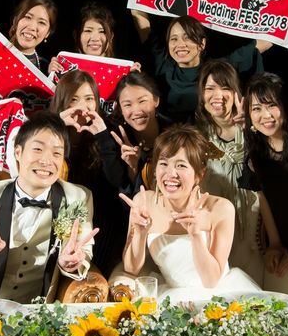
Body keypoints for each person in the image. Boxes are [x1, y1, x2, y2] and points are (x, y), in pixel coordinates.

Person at [0, 111, 98, 303]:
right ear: (18, 153)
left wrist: (69, 264)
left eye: (57, 153)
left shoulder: (77, 198)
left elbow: (82, 252)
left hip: (36, 312)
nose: (47, 161)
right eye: (38, 149)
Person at [128, 0, 288, 123]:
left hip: (211, 141)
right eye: (173, 39)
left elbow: (262, 44)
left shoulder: (218, 69)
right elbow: (139, 19)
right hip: (169, 139)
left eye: (188, 37)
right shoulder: (162, 64)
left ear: (202, 44)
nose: (180, 44)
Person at [114, 124, 260, 302]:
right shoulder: (143, 202)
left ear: (200, 174)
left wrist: (196, 236)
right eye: (163, 164)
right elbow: (131, 269)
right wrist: (140, 233)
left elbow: (211, 281)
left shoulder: (220, 208)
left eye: (181, 165)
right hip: (171, 296)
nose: (170, 174)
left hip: (218, 296)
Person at [240, 72, 288, 296]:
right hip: (286, 232)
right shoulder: (254, 146)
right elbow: (263, 198)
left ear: (284, 106)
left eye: (272, 105)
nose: (266, 115)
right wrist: (275, 244)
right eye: (256, 108)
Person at [49, 70, 128, 277]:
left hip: (102, 221)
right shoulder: (49, 129)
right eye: (73, 99)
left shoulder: (108, 130)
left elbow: (117, 180)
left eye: (88, 99)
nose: (82, 106)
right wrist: (57, 126)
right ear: (62, 102)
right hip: (60, 217)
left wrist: (102, 136)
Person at [195, 60, 265, 286]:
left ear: (236, 92)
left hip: (254, 237)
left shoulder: (257, 129)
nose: (218, 95)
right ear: (202, 95)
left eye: (225, 87)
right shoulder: (197, 139)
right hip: (215, 236)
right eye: (210, 88)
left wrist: (249, 131)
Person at [109, 70, 174, 197]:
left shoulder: (176, 134)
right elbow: (125, 199)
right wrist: (132, 168)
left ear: (156, 100)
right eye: (127, 105)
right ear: (120, 109)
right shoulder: (118, 141)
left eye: (142, 101)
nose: (136, 111)